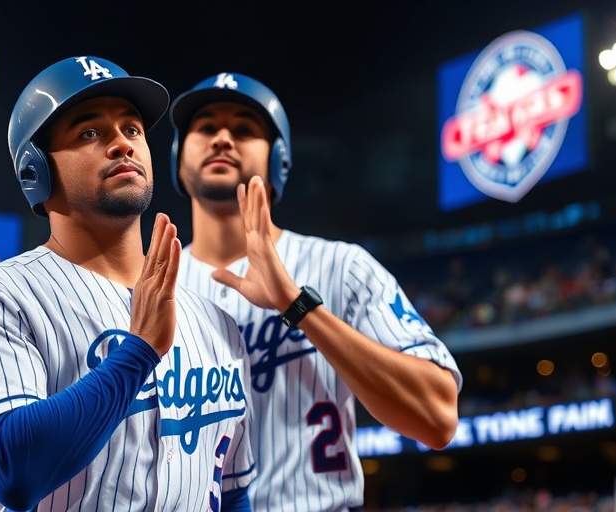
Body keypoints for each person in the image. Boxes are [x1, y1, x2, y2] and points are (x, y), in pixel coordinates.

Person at [0, 57, 256, 512]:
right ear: (35, 170)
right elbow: (13, 469)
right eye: (90, 132)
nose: (121, 144)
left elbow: (233, 492)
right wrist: (139, 352)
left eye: (132, 129)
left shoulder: (217, 324)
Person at [168, 72, 463, 511]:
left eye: (245, 129)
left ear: (278, 160)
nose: (223, 137)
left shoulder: (342, 267)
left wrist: (296, 304)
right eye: (206, 126)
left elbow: (437, 417)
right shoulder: (152, 290)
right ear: (178, 155)